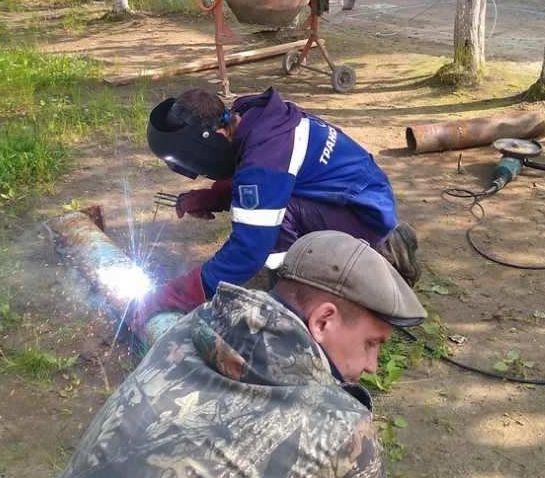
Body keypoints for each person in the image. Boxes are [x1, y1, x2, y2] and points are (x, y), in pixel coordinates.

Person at [1, 231, 476, 478]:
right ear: (323, 320)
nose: (371, 365)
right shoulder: (327, 426)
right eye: (372, 344)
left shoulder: (189, 329)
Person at [143, 86, 419, 324]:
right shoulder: (248, 116)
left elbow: (247, 251)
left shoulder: (264, 157)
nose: (198, 170)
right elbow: (265, 175)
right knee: (270, 207)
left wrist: (176, 295)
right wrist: (214, 197)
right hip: (359, 195)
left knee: (276, 217)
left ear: (213, 135)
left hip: (364, 213)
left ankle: (300, 292)